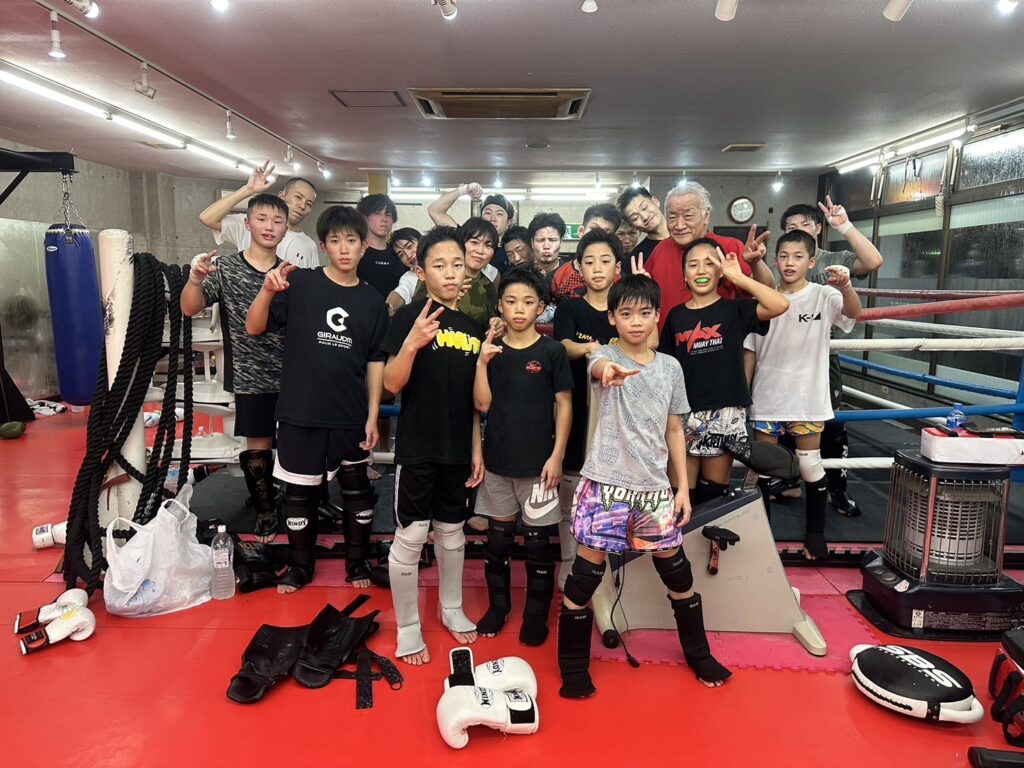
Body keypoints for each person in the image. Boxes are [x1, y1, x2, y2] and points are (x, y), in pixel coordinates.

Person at [557, 274, 731, 699]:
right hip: (606, 484)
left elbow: (675, 430)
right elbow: (597, 367)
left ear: (657, 316)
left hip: (653, 489)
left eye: (644, 313)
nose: (636, 321)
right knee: (584, 576)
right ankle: (573, 667)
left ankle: (698, 653)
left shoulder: (671, 367)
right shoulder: (604, 354)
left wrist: (682, 488)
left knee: (677, 572)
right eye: (626, 313)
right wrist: (608, 371)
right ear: (612, 318)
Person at [245, 205, 389, 590]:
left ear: (364, 246)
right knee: (298, 495)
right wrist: (266, 290)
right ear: (323, 246)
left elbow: (376, 361)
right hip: (300, 411)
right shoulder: (301, 283)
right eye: (335, 241)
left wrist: (372, 415)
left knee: (358, 493)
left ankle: (357, 564)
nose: (344, 248)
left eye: (351, 241)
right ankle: (300, 566)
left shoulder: (373, 301)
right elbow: (254, 327)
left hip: (349, 413)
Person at [381, 226, 485, 665]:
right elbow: (390, 384)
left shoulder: (473, 327)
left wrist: (476, 449)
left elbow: (474, 401)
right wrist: (411, 344)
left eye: (457, 264)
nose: (450, 273)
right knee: (411, 535)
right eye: (439, 265)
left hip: (458, 448)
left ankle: (451, 607)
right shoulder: (410, 316)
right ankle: (408, 625)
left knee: (453, 531)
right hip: (419, 447)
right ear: (421, 271)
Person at [746, 229, 862, 559]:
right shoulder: (765, 300)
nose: (790, 262)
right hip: (767, 396)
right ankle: (762, 540)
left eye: (798, 257)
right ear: (775, 260)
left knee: (811, 466)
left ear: (811, 262)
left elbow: (854, 314)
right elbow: (750, 350)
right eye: (783, 256)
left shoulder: (824, 295)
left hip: (807, 398)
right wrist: (743, 395)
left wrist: (846, 285)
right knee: (763, 468)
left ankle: (815, 536)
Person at [473, 267, 573, 645]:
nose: (519, 309)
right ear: (500, 305)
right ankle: (499, 607)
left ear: (540, 307)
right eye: (511, 301)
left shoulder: (552, 351)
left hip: (539, 466)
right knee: (497, 542)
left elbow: (564, 405)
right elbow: (482, 405)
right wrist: (481, 362)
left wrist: (557, 456)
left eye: (528, 302)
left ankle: (535, 615)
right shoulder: (492, 351)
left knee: (537, 544)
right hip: (498, 462)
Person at [181, 193, 289, 542]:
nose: (269, 226)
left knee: (295, 444)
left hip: (291, 375)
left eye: (277, 220)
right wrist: (195, 279)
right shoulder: (226, 268)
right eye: (262, 219)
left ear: (286, 228)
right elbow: (189, 307)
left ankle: (300, 501)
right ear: (247, 224)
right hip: (249, 372)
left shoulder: (290, 272)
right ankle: (265, 510)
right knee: (258, 444)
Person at [658, 238, 789, 504]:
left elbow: (780, 304)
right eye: (693, 265)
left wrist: (739, 278)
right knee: (679, 495)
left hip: (725, 412)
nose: (701, 270)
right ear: (684, 274)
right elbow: (665, 367)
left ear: (720, 271)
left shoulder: (734, 309)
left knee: (713, 496)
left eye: (709, 263)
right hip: (683, 413)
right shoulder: (675, 316)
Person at [776, 198, 884, 516]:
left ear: (818, 228)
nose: (797, 231)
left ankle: (837, 489)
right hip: (784, 356)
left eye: (804, 225)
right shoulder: (779, 264)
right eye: (790, 228)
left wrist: (844, 226)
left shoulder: (833, 259)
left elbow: (873, 261)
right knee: (785, 419)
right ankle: (789, 481)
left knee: (831, 424)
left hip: (822, 354)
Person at [552, 229, 622, 588]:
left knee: (611, 488)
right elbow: (563, 345)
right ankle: (569, 560)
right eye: (589, 261)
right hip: (577, 404)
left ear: (617, 267)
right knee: (572, 482)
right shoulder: (570, 307)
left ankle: (604, 561)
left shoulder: (625, 304)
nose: (597, 268)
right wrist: (594, 350)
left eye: (605, 261)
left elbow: (648, 340)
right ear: (578, 266)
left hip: (619, 410)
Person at [643, 181, 777, 330]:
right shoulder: (660, 249)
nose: (679, 225)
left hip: (713, 338)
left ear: (706, 216)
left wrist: (756, 263)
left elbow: (768, 292)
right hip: (666, 341)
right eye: (672, 217)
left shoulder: (729, 247)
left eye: (688, 216)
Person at [199, 161, 319, 269]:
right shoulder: (251, 224)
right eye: (298, 197)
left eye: (309, 204)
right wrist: (248, 190)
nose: (302, 206)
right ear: (282, 196)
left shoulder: (308, 246)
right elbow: (207, 218)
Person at [414, 218, 501, 330]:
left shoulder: (488, 286)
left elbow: (488, 325)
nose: (480, 251)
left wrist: (496, 325)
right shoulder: (435, 276)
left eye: (488, 246)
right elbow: (415, 313)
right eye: (474, 242)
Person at [428, 183, 516, 273]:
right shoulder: (464, 237)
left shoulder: (514, 248)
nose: (492, 218)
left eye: (499, 214)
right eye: (487, 212)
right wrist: (463, 189)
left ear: (509, 222)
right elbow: (435, 211)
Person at [549, 203, 622, 304]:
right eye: (594, 229)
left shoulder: (620, 278)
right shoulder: (557, 276)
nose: (598, 234)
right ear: (581, 231)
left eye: (606, 232)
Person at [356, 193, 406, 297]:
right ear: (365, 218)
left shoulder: (399, 253)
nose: (384, 219)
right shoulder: (355, 252)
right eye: (378, 213)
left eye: (388, 215)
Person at [616, 186, 670, 276]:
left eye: (644, 207)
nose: (645, 217)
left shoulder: (687, 237)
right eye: (635, 217)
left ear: (655, 201)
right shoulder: (633, 262)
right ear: (633, 225)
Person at [385, 227, 422, 317]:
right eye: (401, 254)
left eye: (409, 246)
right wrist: (389, 306)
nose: (408, 255)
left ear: (422, 241)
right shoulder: (409, 278)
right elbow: (402, 291)